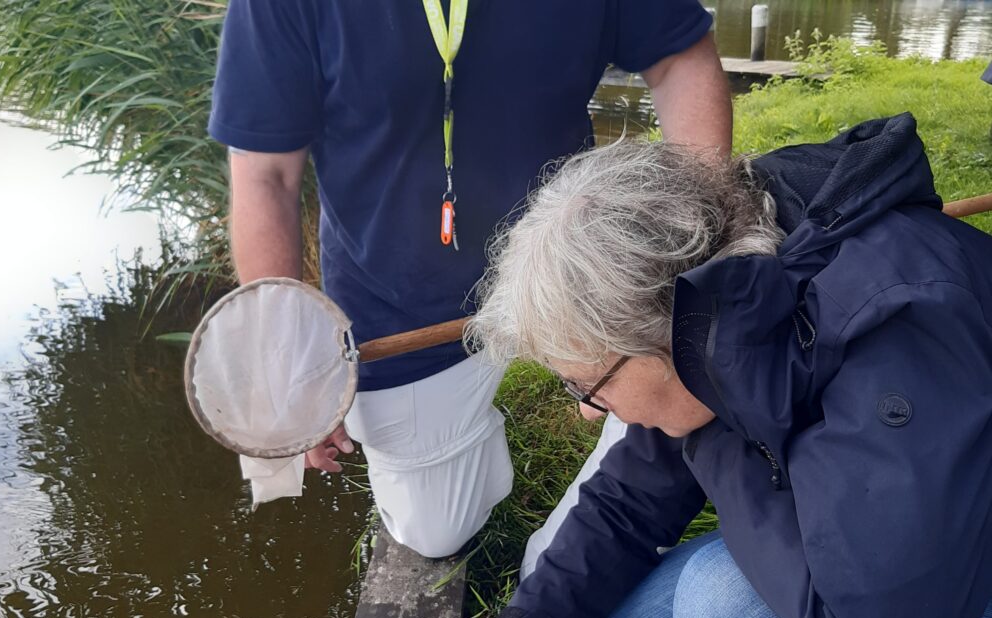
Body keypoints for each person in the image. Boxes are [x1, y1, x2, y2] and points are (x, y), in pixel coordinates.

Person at [457, 113, 992, 618]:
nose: (587, 409)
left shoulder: (895, 324)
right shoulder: (716, 289)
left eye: (589, 383)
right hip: (901, 570)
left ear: (658, 338)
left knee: (721, 610)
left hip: (927, 613)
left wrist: (716, 402)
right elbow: (631, 499)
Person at [207, 1, 731, 558]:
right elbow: (266, 173)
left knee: (675, 394)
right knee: (435, 533)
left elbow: (680, 58)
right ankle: (481, 433)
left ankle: (592, 507)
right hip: (394, 299)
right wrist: (289, 351)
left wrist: (700, 251)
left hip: (573, 266)